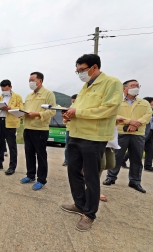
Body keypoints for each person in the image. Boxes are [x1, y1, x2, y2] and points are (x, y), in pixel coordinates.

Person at [61, 54, 123, 232]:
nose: (80, 73)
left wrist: (77, 112)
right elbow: (78, 110)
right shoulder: (85, 87)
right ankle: (79, 204)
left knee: (91, 175)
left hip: (94, 137)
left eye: (82, 70)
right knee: (73, 171)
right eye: (78, 71)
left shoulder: (112, 83)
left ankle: (89, 214)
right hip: (76, 134)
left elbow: (109, 109)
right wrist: (69, 115)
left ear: (94, 67)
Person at [104, 80, 152, 193]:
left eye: (137, 85)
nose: (136, 87)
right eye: (133, 85)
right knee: (117, 157)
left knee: (136, 158)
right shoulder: (117, 101)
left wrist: (136, 124)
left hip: (138, 133)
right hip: (121, 132)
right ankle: (111, 178)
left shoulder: (144, 102)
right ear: (124, 88)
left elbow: (148, 115)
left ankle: (135, 181)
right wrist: (130, 121)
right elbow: (114, 114)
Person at [20, 72, 56, 190]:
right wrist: (21, 113)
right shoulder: (29, 96)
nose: (30, 82)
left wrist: (37, 114)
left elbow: (52, 111)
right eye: (29, 80)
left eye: (32, 80)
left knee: (41, 155)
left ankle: (41, 179)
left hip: (40, 129)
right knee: (29, 154)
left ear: (40, 81)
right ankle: (30, 175)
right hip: (28, 128)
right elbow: (26, 110)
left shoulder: (48, 94)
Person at [0, 79, 23, 175]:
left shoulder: (17, 97)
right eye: (2, 89)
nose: (4, 90)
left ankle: (12, 166)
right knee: (0, 143)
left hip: (10, 123)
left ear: (10, 87)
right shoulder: (0, 97)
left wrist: (10, 108)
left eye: (6, 88)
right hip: (0, 121)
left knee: (11, 145)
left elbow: (21, 110)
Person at [62, 94, 77, 166]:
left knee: (76, 147)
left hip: (77, 130)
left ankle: (74, 162)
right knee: (68, 146)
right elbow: (66, 118)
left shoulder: (79, 107)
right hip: (69, 129)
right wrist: (65, 119)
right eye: (72, 101)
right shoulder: (70, 107)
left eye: (74, 101)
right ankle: (67, 160)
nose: (73, 102)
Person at [142, 97, 153, 172]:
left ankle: (148, 166)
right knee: (138, 147)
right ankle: (123, 160)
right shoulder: (145, 109)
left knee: (150, 149)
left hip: (152, 131)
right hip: (146, 131)